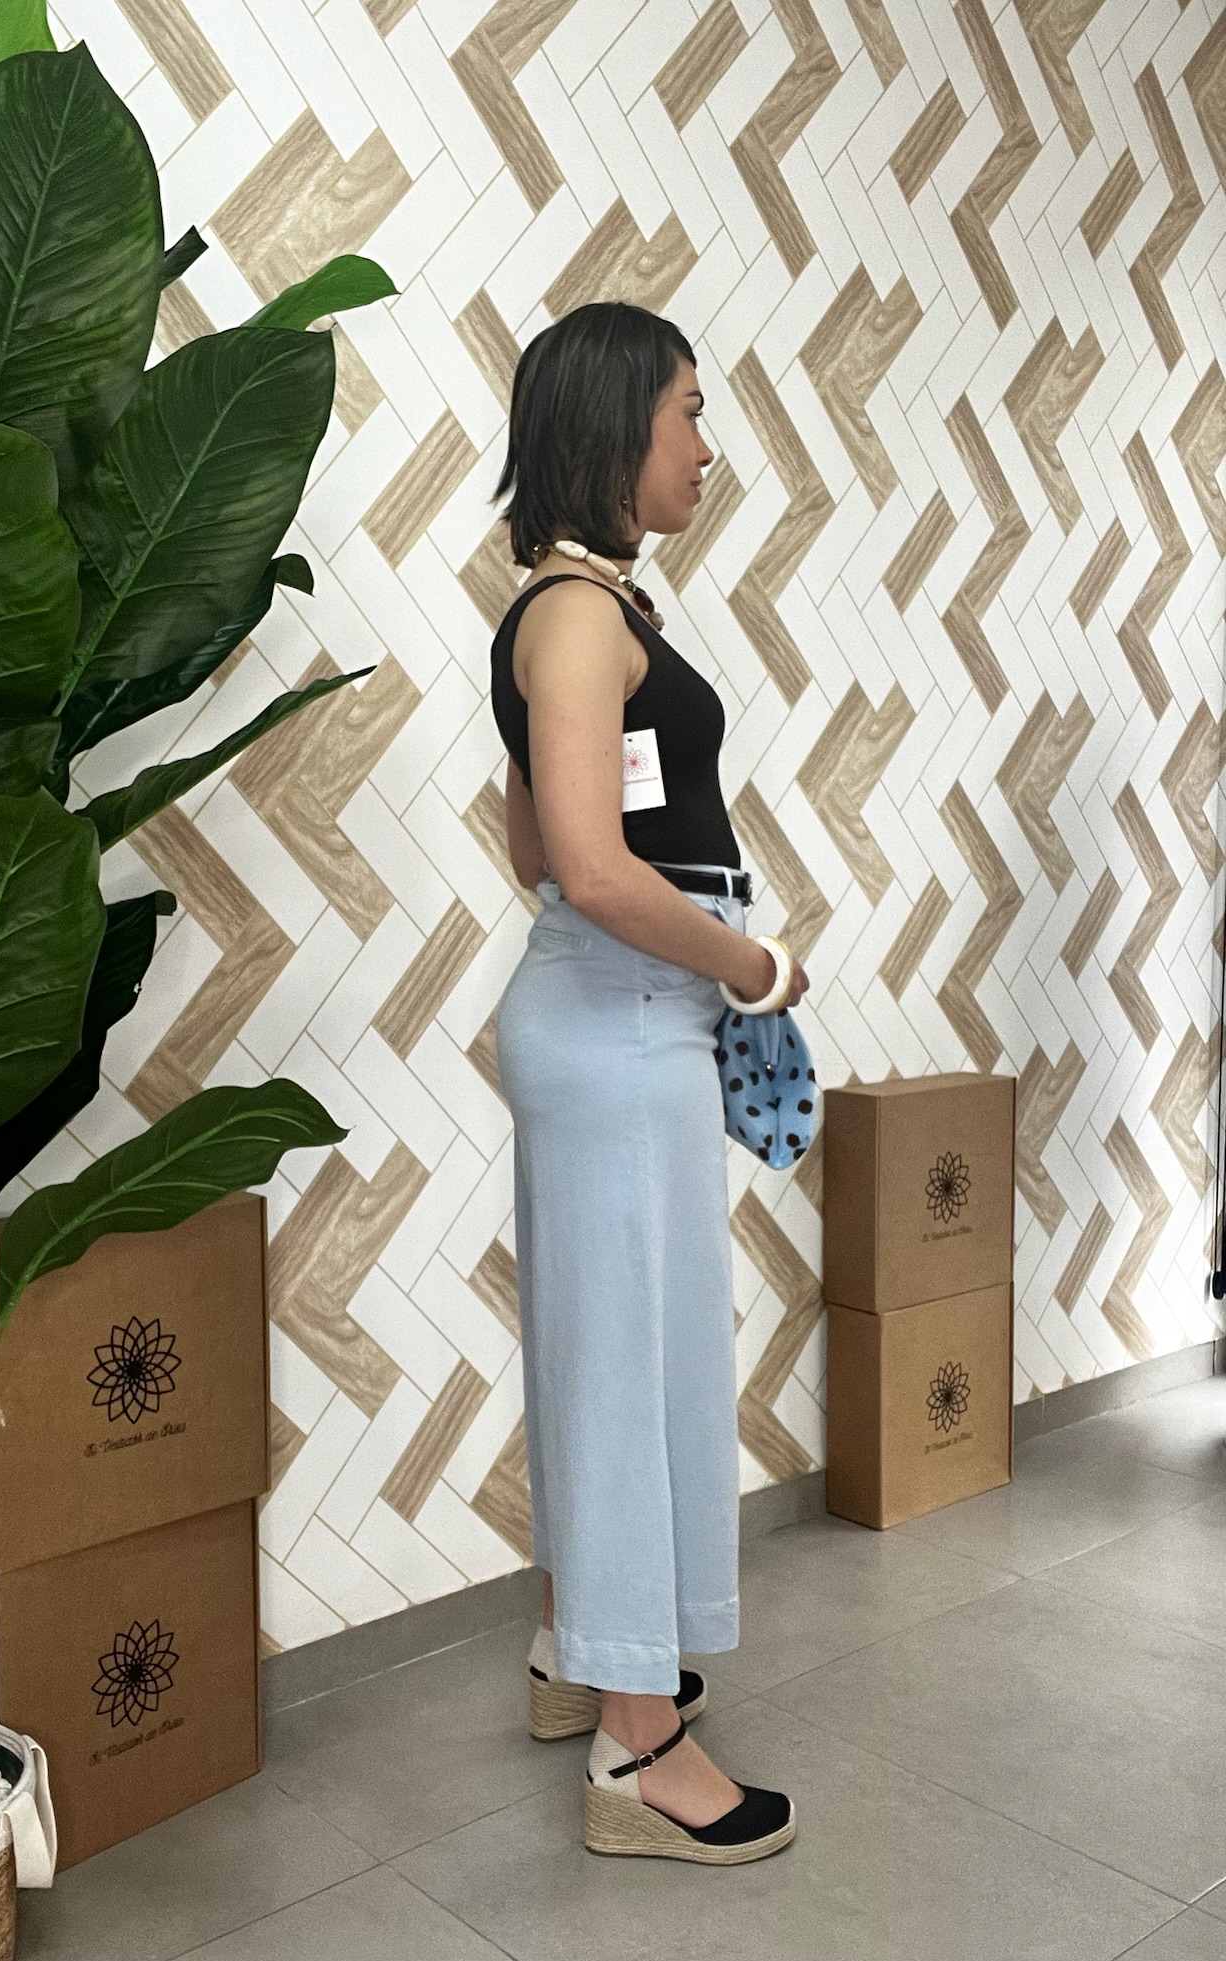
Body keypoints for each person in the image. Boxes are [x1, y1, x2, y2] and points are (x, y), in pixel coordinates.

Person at [491, 301, 809, 1866]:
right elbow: (594, 865)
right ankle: (639, 1751)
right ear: (618, 427)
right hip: (624, 1018)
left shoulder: (580, 608)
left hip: (610, 1011)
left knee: (598, 1352)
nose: (705, 444)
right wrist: (749, 965)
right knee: (630, 1369)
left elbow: (531, 846)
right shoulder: (574, 617)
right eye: (688, 408)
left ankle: (581, 1654)